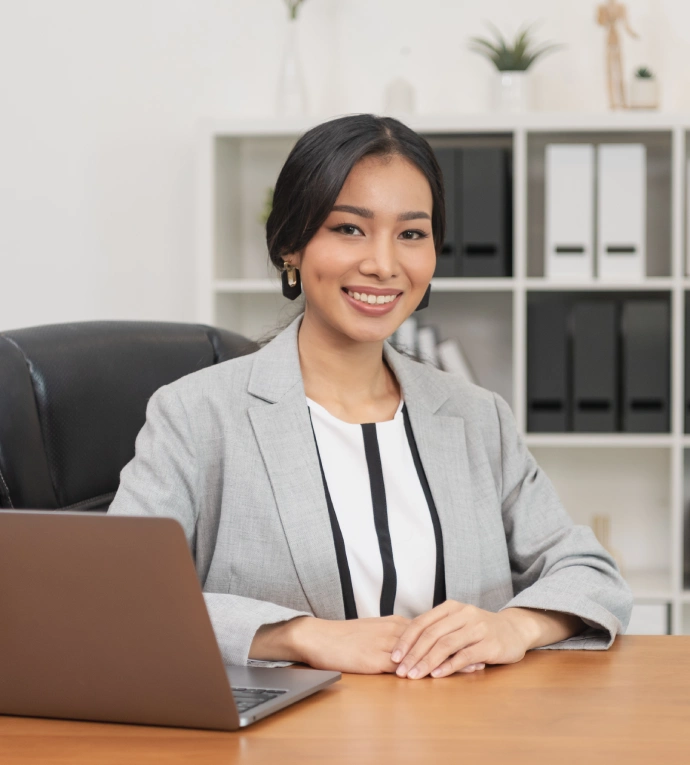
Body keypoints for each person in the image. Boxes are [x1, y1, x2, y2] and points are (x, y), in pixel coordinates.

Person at [108, 114, 633, 680]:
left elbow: (591, 573)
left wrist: (515, 626)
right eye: (349, 229)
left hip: (462, 732)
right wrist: (300, 635)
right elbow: (116, 592)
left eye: (411, 234)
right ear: (291, 245)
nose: (383, 265)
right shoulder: (196, 414)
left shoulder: (477, 417)